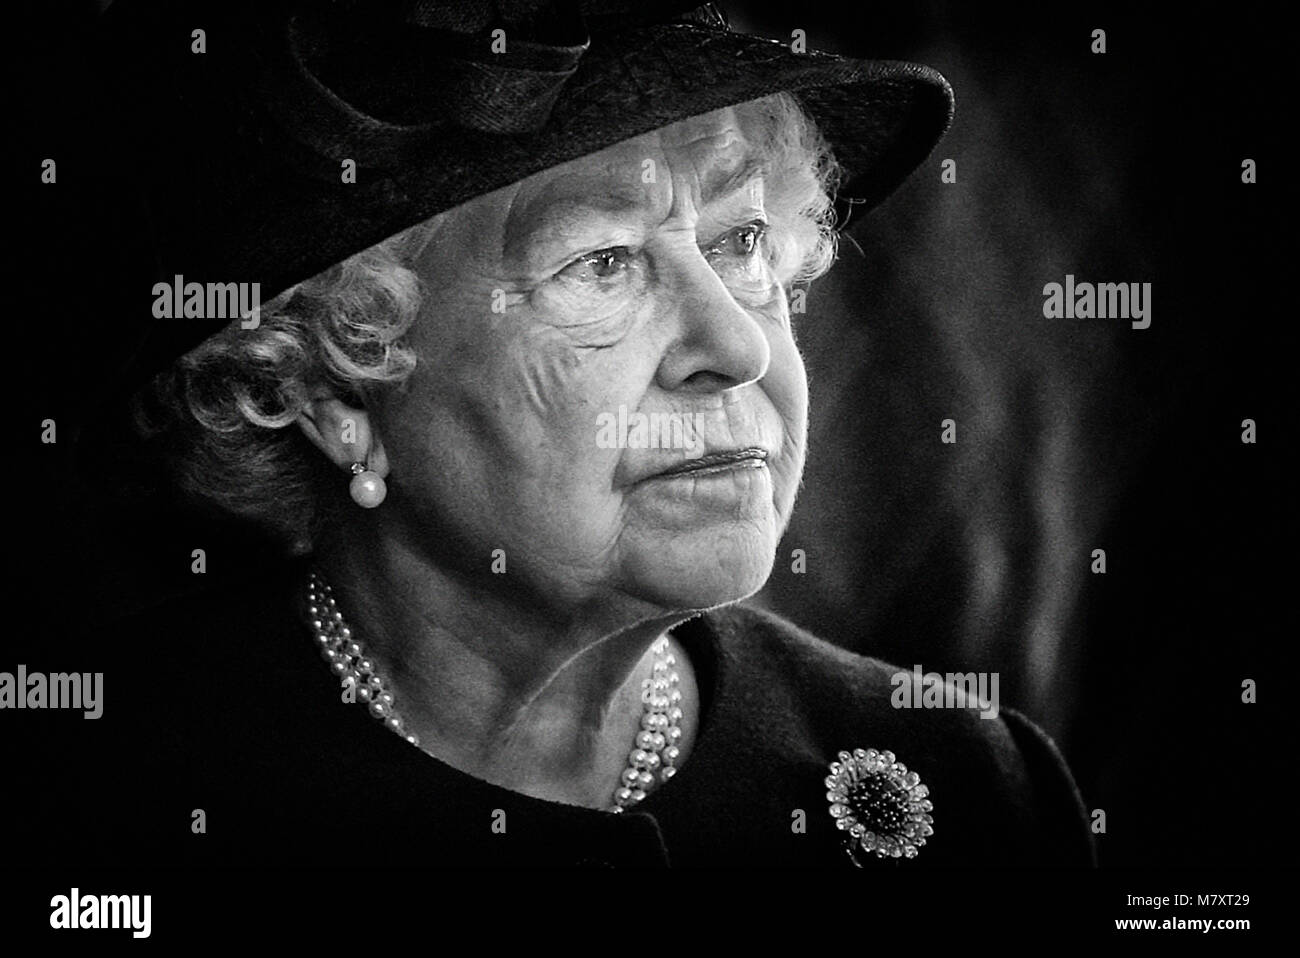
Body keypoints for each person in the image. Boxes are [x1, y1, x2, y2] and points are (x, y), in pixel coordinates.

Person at [80, 0, 1094, 867]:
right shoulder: (98, 792)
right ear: (335, 390)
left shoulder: (978, 789)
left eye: (742, 243)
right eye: (602, 264)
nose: (736, 345)